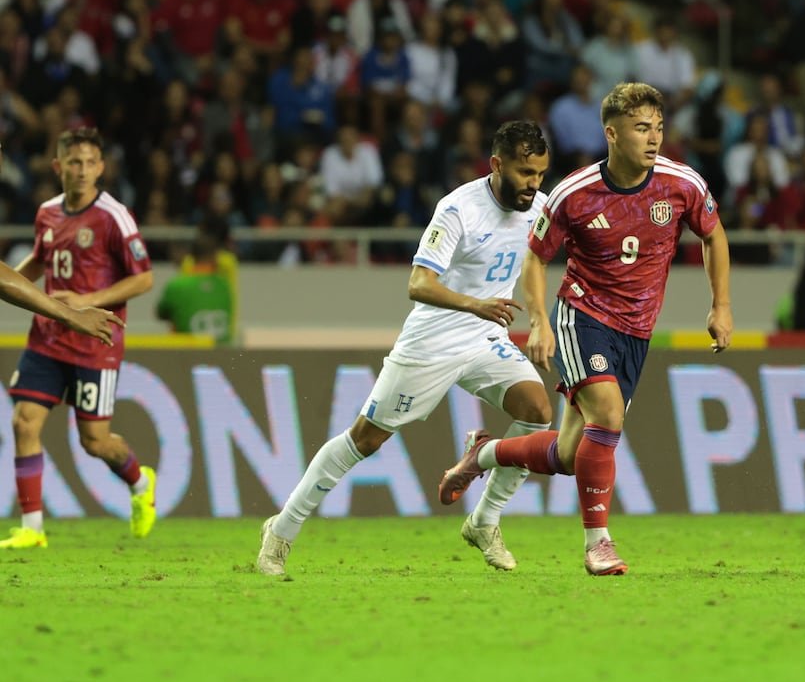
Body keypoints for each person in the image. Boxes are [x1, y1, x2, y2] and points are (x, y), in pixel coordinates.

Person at [441, 82, 732, 576]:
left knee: (569, 454)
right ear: (611, 134)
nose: (654, 138)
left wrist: (720, 306)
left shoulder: (682, 183)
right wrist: (539, 321)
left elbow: (713, 235)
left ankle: (483, 453)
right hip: (584, 316)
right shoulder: (574, 194)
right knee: (609, 415)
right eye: (641, 128)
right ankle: (598, 544)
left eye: (659, 128)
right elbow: (536, 258)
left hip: (637, 332)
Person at [257, 122, 557, 577]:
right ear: (497, 165)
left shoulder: (541, 208)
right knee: (365, 439)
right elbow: (418, 284)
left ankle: (484, 521)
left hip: (486, 337)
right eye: (524, 173)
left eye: (539, 174)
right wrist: (475, 304)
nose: (533, 184)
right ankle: (281, 530)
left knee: (537, 411)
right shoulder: (458, 209)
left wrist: (540, 320)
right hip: (433, 338)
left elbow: (539, 262)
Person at [3, 128, 155, 550]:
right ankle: (32, 527)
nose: (83, 170)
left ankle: (141, 483)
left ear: (101, 167)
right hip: (48, 338)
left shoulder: (114, 216)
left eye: (90, 162)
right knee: (24, 421)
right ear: (58, 167)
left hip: (95, 342)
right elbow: (40, 259)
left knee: (94, 442)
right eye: (74, 162)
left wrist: (87, 301)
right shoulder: (47, 213)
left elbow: (144, 278)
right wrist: (14, 283)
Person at [156, 217, 237, 343]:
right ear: (215, 258)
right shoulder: (224, 283)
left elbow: (162, 313)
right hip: (221, 346)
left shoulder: (177, 284)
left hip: (186, 349)